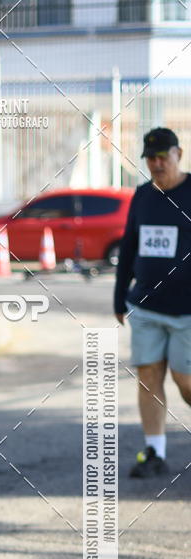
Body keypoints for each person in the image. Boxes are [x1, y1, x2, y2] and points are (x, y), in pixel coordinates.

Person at [114, 127, 191, 477]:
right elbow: (129, 245)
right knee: (148, 376)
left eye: (163, 156)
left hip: (186, 310)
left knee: (184, 380)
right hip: (145, 304)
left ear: (179, 154)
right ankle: (154, 451)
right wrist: (119, 294)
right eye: (150, 158)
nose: (157, 163)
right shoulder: (143, 195)